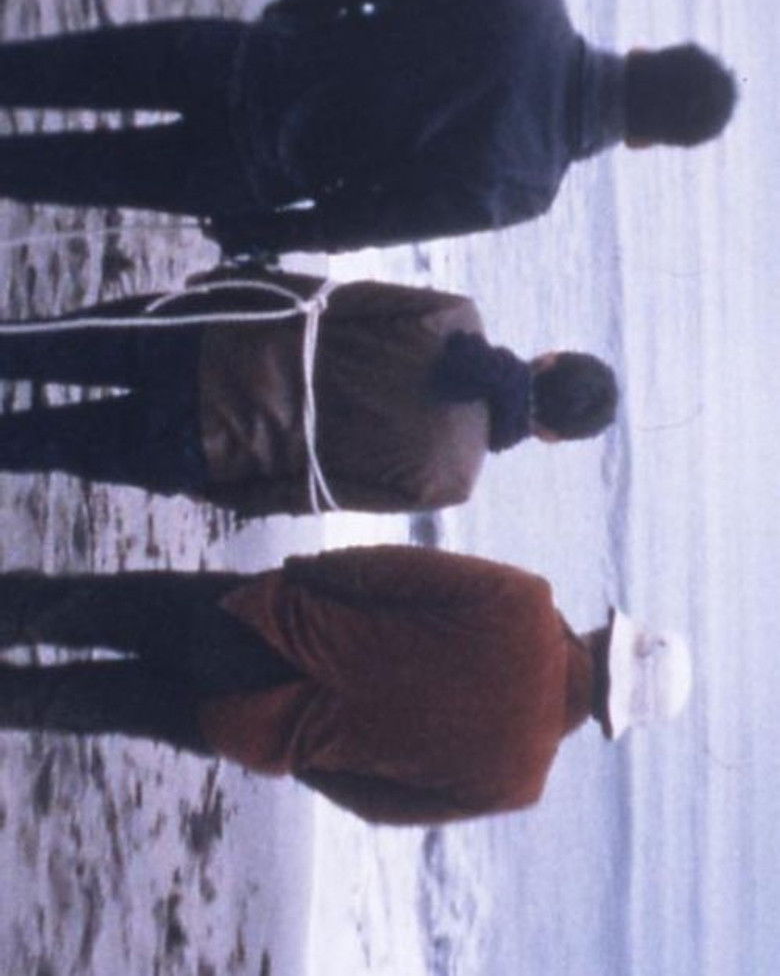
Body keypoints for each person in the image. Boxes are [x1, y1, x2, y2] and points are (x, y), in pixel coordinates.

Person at [0, 0, 737, 255]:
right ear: (644, 141)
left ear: (643, 51)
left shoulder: (531, 2)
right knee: (38, 172)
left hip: (243, 58)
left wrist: (286, 20)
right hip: (248, 172)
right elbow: (369, 222)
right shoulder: (528, 186)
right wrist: (262, 236)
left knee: (33, 71)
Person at [0, 545, 693, 825]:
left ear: (608, 641)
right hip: (256, 728)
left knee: (74, 608)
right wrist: (302, 752)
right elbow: (379, 806)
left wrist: (296, 574)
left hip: (258, 621)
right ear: (612, 716)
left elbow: (387, 573)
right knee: (77, 704)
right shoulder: (518, 784)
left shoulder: (527, 605)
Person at [0, 263, 617, 515]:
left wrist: (223, 282)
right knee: (39, 444)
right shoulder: (451, 481)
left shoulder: (453, 317)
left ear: (548, 358)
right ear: (550, 436)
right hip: (210, 445)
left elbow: (320, 298)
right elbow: (309, 494)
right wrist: (219, 492)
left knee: (41, 343)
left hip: (209, 338)